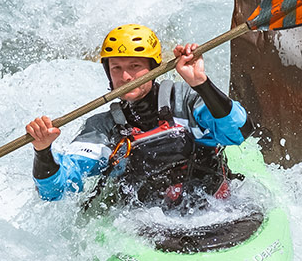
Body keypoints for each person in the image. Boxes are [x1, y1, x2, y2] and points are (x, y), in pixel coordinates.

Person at [26, 23, 249, 209]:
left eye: (135, 66)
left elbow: (239, 131)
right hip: (149, 225)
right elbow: (55, 191)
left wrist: (202, 84)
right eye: (116, 68)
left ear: (154, 68)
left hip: (217, 210)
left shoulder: (187, 100)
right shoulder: (103, 128)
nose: (125, 76)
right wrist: (43, 150)